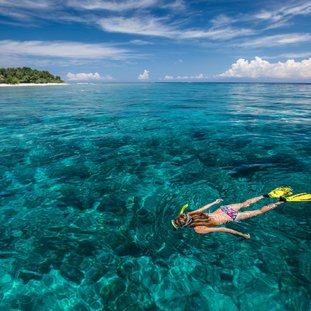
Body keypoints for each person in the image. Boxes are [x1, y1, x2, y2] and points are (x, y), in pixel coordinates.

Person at [171, 196, 285, 239]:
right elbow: (203, 208)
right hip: (225, 209)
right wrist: (214, 202)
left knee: (259, 211)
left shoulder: (198, 229)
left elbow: (224, 229)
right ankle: (266, 195)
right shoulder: (191, 214)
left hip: (232, 216)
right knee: (245, 203)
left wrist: (243, 235)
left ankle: (279, 203)